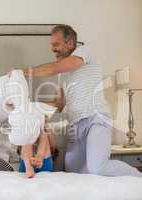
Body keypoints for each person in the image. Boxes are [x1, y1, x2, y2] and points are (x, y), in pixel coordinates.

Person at [16, 24, 142, 177]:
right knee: (73, 173)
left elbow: (53, 68)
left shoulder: (84, 52)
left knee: (97, 167)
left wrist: (22, 72)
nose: (52, 49)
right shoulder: (63, 75)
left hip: (96, 119)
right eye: (52, 45)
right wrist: (34, 111)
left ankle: (137, 176)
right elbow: (58, 103)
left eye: (56, 44)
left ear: (70, 43)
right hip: (75, 126)